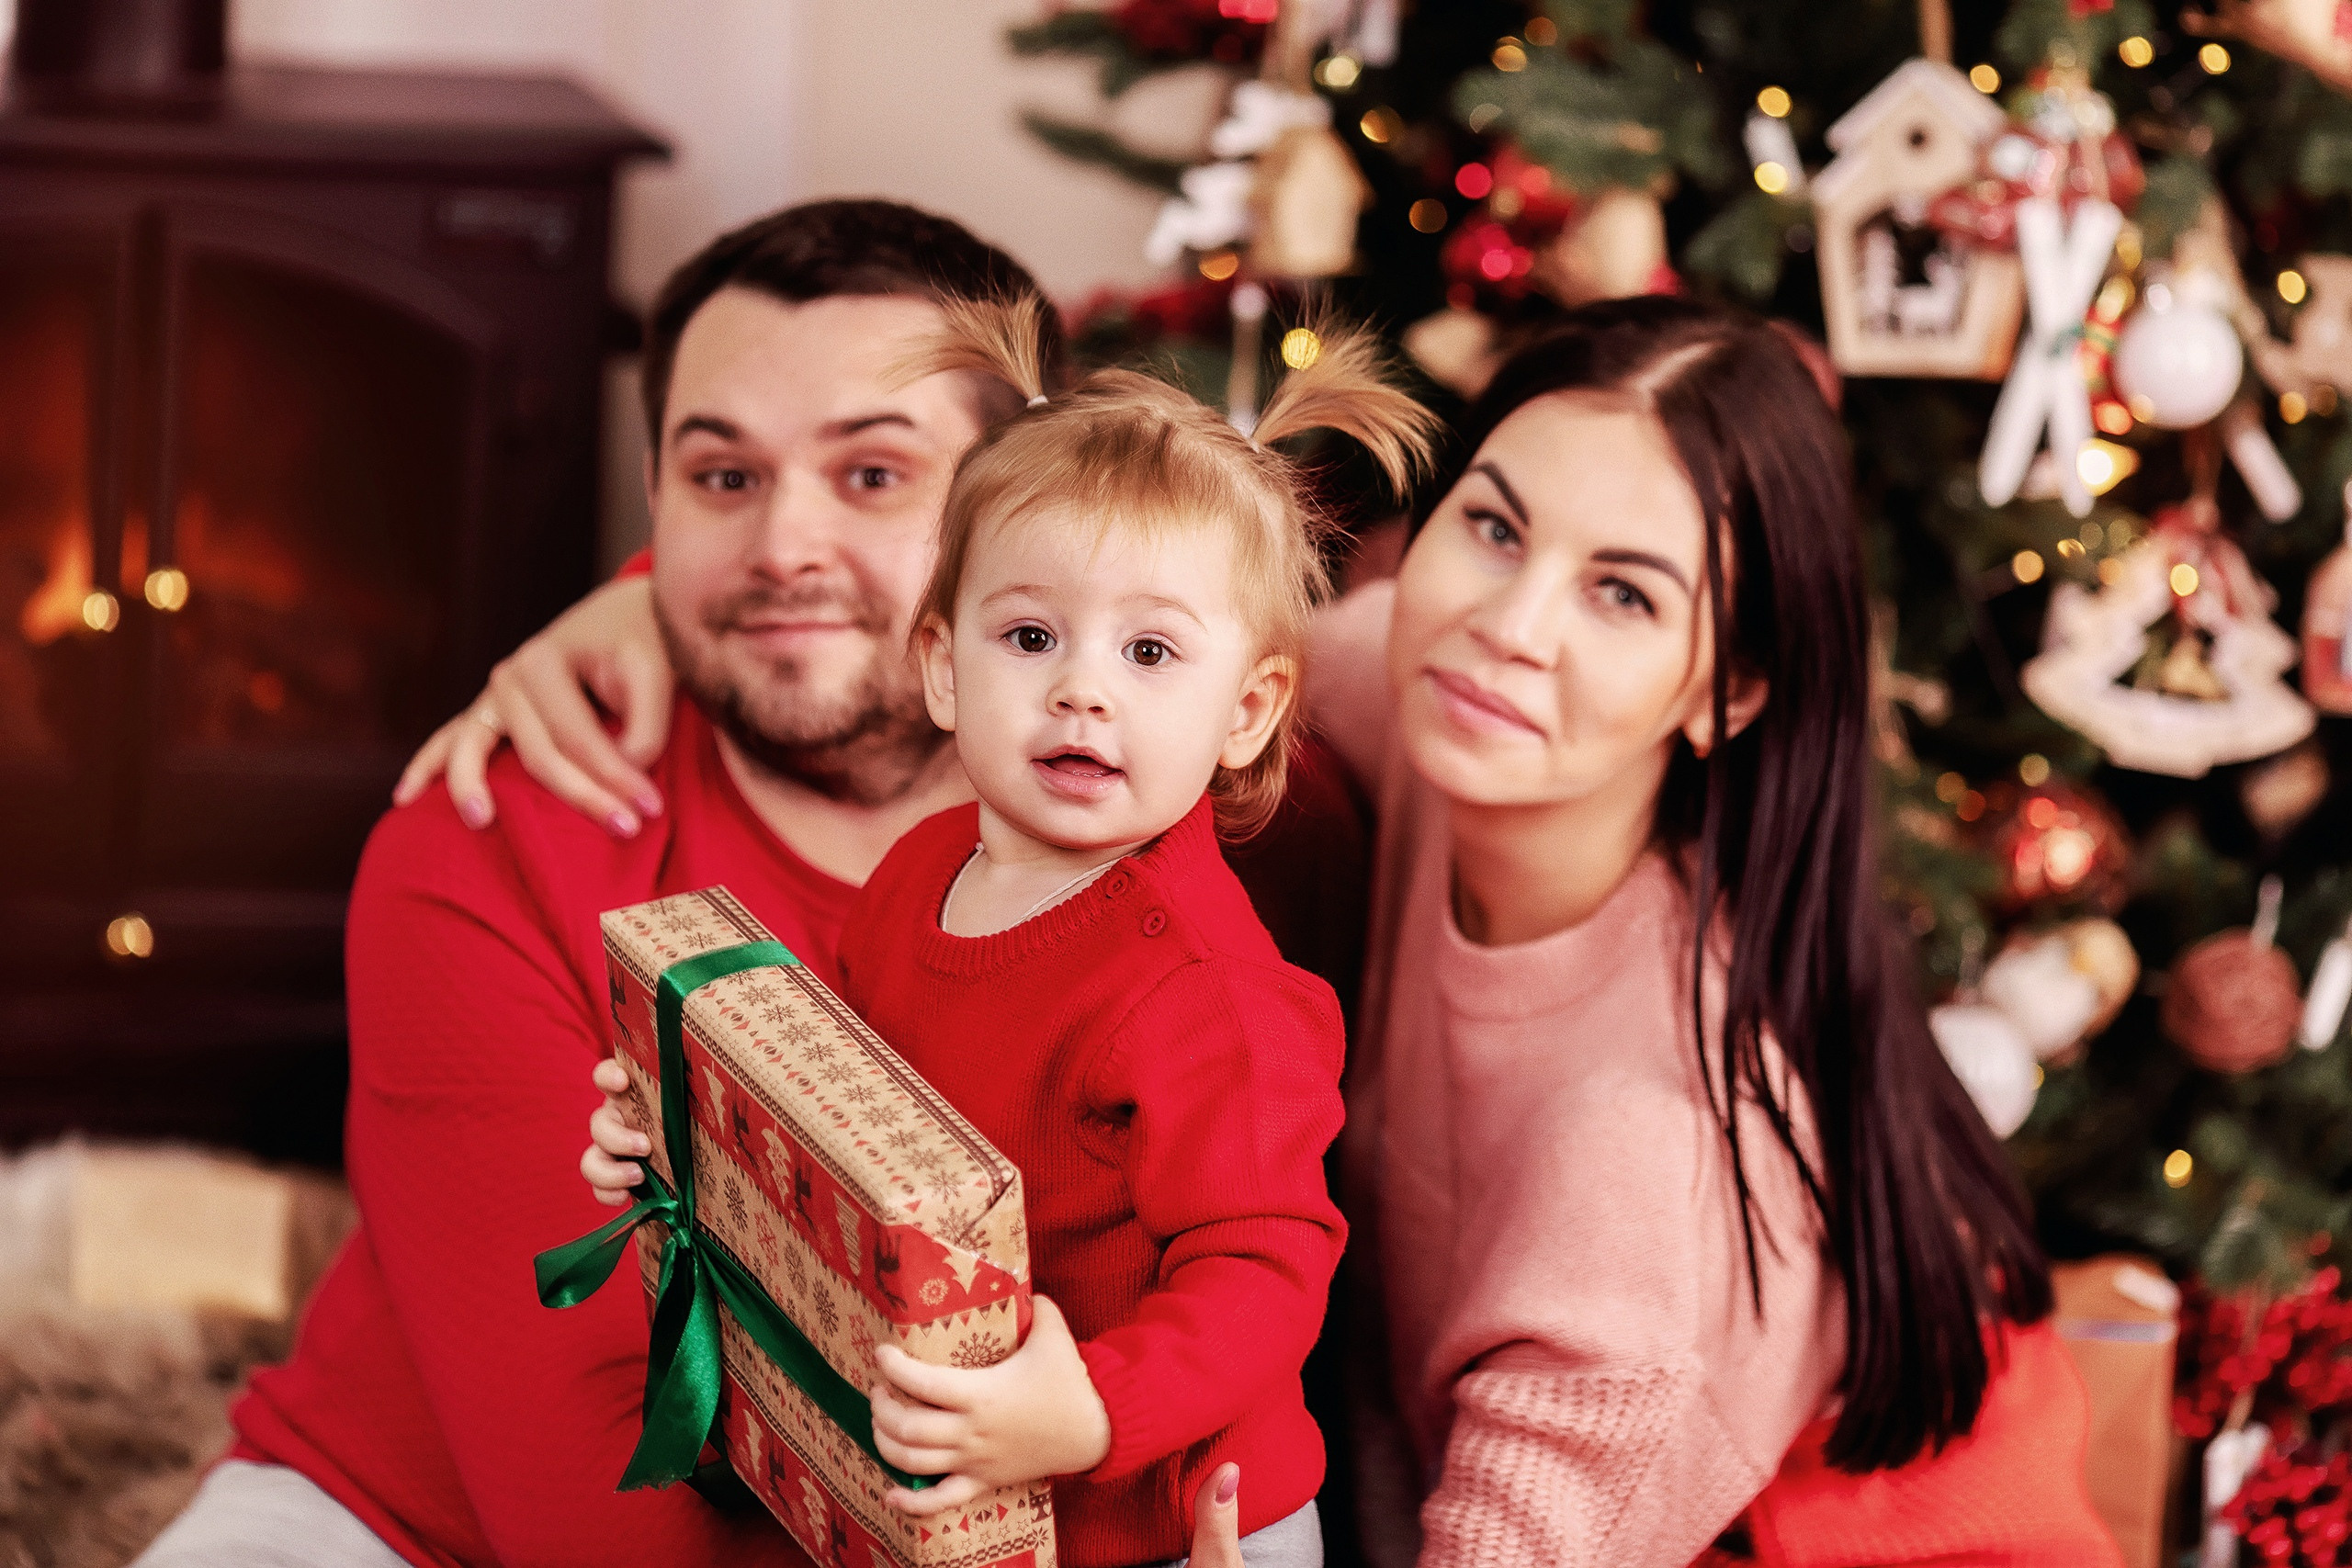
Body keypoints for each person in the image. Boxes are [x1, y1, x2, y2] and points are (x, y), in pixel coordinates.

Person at [428, 296, 2120, 1568]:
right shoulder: (1401, 688)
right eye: (1494, 526)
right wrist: (668, 612)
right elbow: (1093, 559)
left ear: (1728, 690)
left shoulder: (1658, 1164)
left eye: (1624, 592)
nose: (1511, 626)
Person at [131, 198, 1255, 1568]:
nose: (783, 548)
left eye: (873, 474)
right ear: (656, 496)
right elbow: (592, 1482)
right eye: (723, 478)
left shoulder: (1175, 801)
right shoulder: (488, 838)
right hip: (422, 1522)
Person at [571, 297, 1435, 1566]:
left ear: (1247, 712)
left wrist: (1093, 1408)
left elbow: (1266, 1268)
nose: (1082, 688)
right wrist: (690, 1137)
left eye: (1152, 652)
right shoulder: (920, 871)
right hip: (971, 1500)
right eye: (1031, 637)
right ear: (943, 667)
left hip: (1173, 1524)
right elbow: (851, 1113)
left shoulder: (1209, 993)